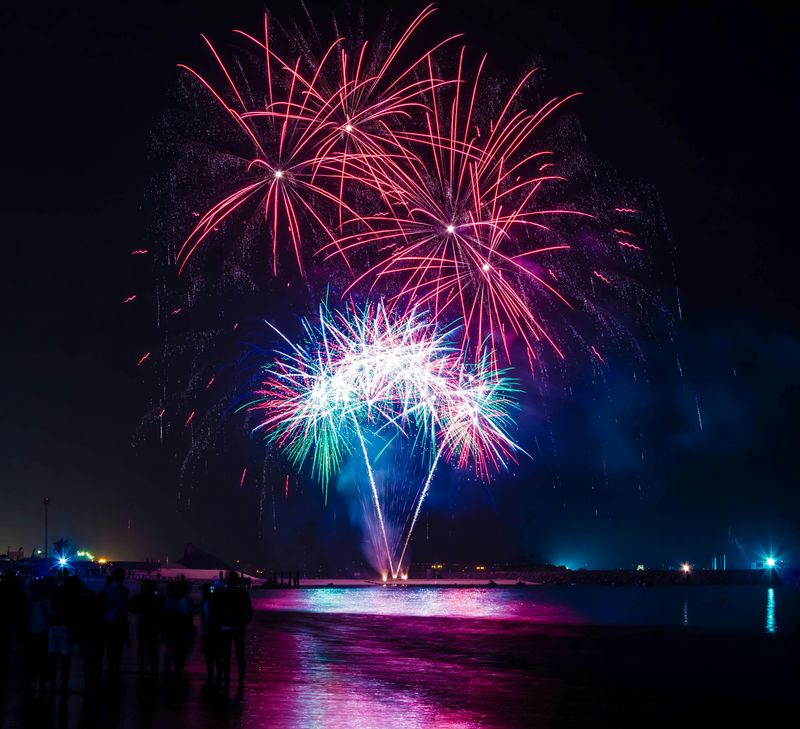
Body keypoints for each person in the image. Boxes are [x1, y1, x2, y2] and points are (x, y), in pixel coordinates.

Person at [217, 571, 253, 693]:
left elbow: (216, 610)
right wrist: (243, 623)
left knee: (225, 656)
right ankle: (241, 682)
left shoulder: (222, 593)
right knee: (240, 656)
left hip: (224, 628)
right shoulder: (243, 593)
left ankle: (226, 680)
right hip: (238, 628)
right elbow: (249, 612)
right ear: (238, 581)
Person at [128, 580, 162, 674]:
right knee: (153, 647)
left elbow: (129, 606)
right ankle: (153, 669)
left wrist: (139, 612)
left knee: (142, 645)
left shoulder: (139, 597)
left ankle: (142, 667)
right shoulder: (158, 599)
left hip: (142, 623)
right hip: (154, 625)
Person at [162, 579, 194, 677]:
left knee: (171, 649)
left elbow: (165, 613)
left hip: (172, 628)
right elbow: (188, 615)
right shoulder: (185, 601)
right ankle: (178, 669)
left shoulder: (169, 600)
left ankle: (168, 669)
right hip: (181, 629)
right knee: (180, 650)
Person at [103, 567, 129, 678]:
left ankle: (110, 667)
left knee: (109, 646)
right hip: (119, 620)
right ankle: (116, 669)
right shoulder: (123, 590)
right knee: (118, 647)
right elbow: (123, 608)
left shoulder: (107, 588)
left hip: (108, 620)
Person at [200, 582, 221, 688]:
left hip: (209, 631)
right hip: (216, 631)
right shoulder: (216, 602)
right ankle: (219, 676)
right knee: (217, 655)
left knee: (209, 656)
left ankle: (210, 676)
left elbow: (205, 619)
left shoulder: (205, 603)